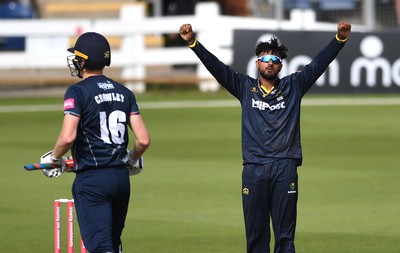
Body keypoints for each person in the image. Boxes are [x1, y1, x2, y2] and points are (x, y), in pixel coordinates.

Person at [179, 22, 351, 253]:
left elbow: (319, 63)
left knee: (284, 238)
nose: (269, 63)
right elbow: (217, 68)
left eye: (275, 61)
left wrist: (339, 39)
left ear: (280, 66)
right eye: (265, 59)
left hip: (284, 167)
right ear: (257, 63)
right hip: (254, 169)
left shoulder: (294, 85)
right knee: (256, 238)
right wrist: (193, 43)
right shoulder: (243, 86)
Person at [41, 32, 151, 253]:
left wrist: (54, 158)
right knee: (113, 244)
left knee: (101, 248)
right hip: (120, 180)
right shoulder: (124, 92)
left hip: (92, 181)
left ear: (83, 61)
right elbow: (144, 140)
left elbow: (68, 136)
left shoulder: (77, 91)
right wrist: (132, 158)